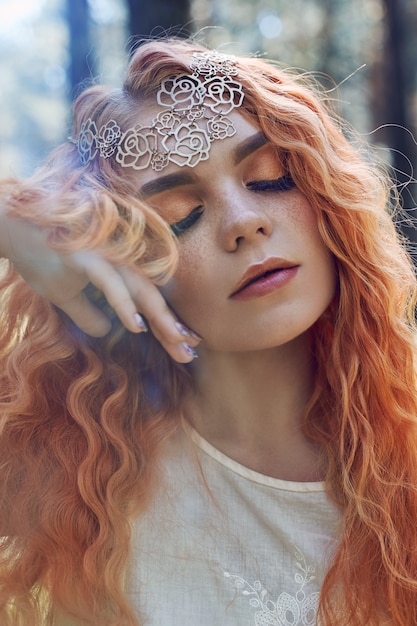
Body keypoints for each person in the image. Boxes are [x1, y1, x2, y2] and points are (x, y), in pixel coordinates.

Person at [0, 37, 416, 626]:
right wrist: (13, 229)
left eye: (271, 175)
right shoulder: (80, 492)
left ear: (328, 193)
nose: (244, 224)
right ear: (124, 257)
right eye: (179, 215)